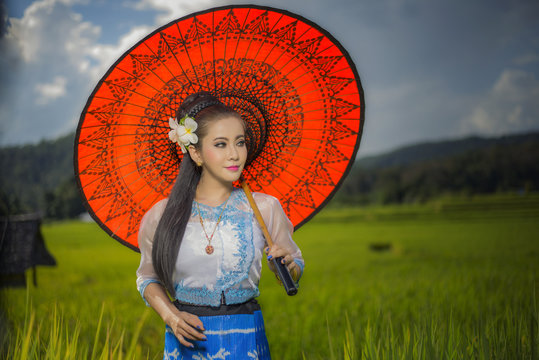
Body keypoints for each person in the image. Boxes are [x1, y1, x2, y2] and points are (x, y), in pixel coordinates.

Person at [136, 92, 305, 359]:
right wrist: (171, 316)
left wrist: (287, 266)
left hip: (245, 337)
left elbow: (294, 266)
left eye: (240, 142)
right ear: (196, 152)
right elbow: (148, 277)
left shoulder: (265, 208)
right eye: (221, 144)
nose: (235, 154)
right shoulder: (161, 215)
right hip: (188, 340)